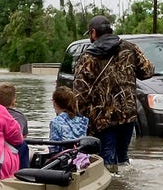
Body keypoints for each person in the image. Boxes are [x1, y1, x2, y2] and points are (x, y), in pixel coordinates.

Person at [73, 15, 154, 173]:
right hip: (128, 114)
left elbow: (80, 94)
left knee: (106, 159)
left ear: (94, 33)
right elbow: (148, 71)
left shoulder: (87, 57)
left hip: (102, 119)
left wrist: (80, 118)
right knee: (123, 156)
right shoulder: (130, 48)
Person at [0, 82, 30, 169]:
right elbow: (23, 137)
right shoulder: (21, 117)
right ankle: (24, 173)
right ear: (14, 101)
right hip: (14, 152)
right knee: (24, 145)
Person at [49, 86, 89, 153]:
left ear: (54, 103)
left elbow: (54, 149)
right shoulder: (83, 120)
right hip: (81, 157)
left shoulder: (56, 122)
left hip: (64, 159)